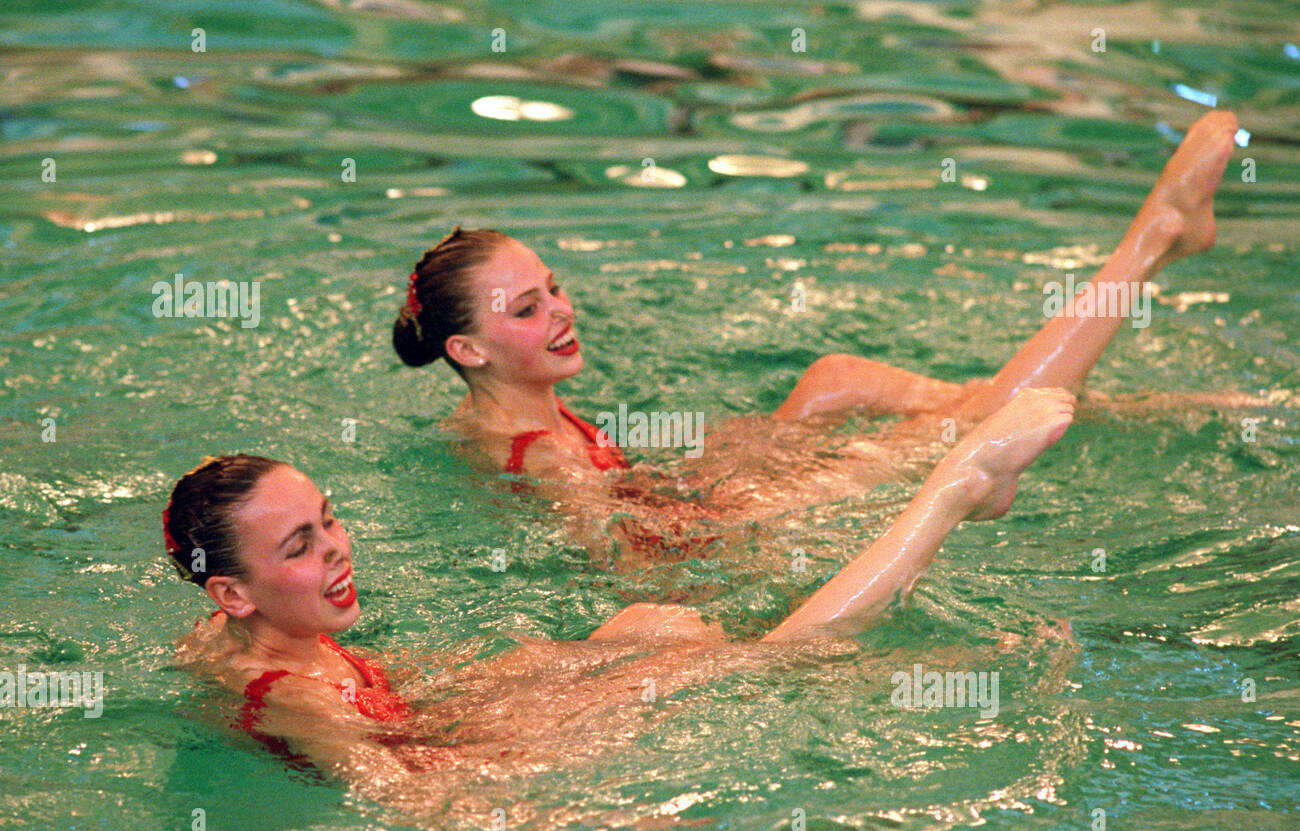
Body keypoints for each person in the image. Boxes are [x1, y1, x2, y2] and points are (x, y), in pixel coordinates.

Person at [391, 111, 1252, 562]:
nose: (560, 313)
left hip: (685, 494)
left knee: (837, 377)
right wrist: (752, 506)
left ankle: (1106, 393)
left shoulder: (529, 409)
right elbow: (627, 565)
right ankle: (1153, 240)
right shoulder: (531, 450)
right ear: (467, 349)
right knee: (971, 424)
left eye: (555, 288)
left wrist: (699, 478)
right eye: (526, 310)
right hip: (718, 535)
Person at [167, 382, 1074, 806]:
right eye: (300, 545)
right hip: (475, 766)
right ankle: (952, 491)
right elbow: (414, 806)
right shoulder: (284, 692)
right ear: (232, 594)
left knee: (656, 622)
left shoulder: (248, 636)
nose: (337, 551)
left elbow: (272, 675)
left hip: (439, 719)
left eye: (329, 521)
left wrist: (521, 677)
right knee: (754, 659)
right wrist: (573, 797)